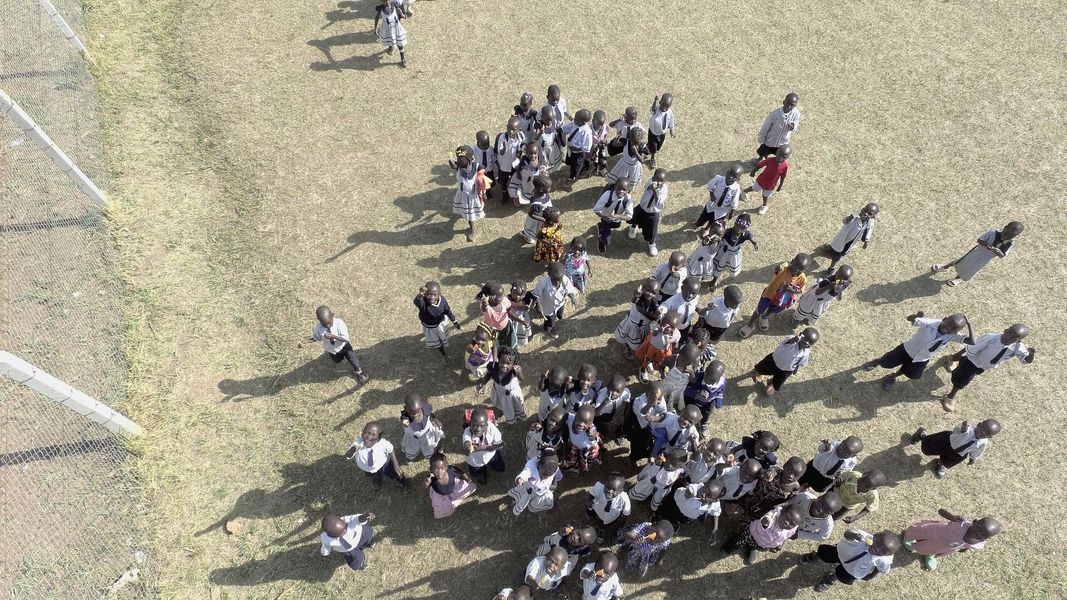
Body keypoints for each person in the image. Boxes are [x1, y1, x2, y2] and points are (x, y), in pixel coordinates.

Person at [862, 311, 975, 391]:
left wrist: (969, 325)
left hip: (922, 358)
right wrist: (915, 316)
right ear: (944, 319)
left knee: (909, 372)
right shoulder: (929, 323)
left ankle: (892, 377)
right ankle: (878, 361)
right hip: (907, 350)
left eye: (954, 329)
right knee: (887, 362)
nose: (949, 328)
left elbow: (971, 342)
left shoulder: (953, 335)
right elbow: (911, 319)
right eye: (949, 323)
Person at [944, 323, 1035, 410]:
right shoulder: (990, 338)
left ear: (1018, 341)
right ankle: (951, 396)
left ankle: (952, 358)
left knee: (967, 369)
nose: (1009, 338)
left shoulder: (1018, 347)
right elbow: (972, 348)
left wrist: (1031, 354)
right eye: (1008, 333)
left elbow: (1026, 360)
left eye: (1014, 338)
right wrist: (968, 354)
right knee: (962, 380)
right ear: (1005, 330)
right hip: (971, 361)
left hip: (983, 366)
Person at [797, 529, 899, 593]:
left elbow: (882, 569)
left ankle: (832, 578)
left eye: (883, 551)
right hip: (840, 552)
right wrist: (855, 536)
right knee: (825, 553)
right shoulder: (864, 537)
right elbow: (847, 533)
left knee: (843, 576)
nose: (877, 548)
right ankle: (815, 556)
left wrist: (871, 576)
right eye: (877, 542)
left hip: (853, 569)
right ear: (875, 536)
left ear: (888, 555)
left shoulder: (884, 560)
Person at [932, 221, 1024, 286]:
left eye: (1011, 236)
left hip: (984, 260)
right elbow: (979, 240)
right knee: (960, 261)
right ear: (1005, 227)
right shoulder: (992, 233)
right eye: (1006, 233)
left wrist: (998, 251)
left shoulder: (1010, 243)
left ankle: (958, 278)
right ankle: (945, 267)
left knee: (970, 270)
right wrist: (987, 245)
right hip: (976, 253)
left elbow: (1003, 255)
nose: (1006, 236)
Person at [904, 509, 1001, 571]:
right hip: (935, 533)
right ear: (974, 522)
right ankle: (909, 537)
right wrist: (953, 517)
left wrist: (963, 549)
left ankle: (929, 554)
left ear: (987, 538)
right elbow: (941, 511)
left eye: (984, 534)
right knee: (920, 532)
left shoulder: (978, 543)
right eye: (979, 528)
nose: (979, 533)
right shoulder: (962, 523)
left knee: (935, 549)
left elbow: (968, 546)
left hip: (945, 547)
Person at [738, 253, 809, 337]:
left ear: (805, 270)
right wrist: (779, 268)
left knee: (773, 309)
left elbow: (800, 290)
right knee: (759, 309)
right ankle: (750, 324)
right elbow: (777, 269)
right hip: (769, 294)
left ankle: (764, 317)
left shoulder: (803, 279)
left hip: (782, 300)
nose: (797, 269)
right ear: (792, 261)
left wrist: (791, 290)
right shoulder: (784, 268)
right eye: (796, 265)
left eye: (800, 269)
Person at [299, 305, 369, 383]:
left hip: (344, 347)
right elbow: (316, 338)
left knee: (354, 361)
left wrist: (334, 336)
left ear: (332, 315)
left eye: (329, 323)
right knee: (337, 360)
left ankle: (358, 371)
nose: (327, 326)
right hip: (331, 350)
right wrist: (307, 341)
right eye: (324, 324)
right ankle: (340, 358)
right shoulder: (318, 328)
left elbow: (345, 339)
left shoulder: (339, 323)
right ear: (319, 320)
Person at [910, 419, 1001, 478]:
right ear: (979, 424)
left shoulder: (983, 442)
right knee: (927, 449)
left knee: (948, 462)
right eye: (981, 429)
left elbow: (978, 451)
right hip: (947, 442)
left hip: (958, 454)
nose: (981, 433)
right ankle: (923, 435)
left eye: (986, 433)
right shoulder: (968, 429)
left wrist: (973, 459)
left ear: (989, 437)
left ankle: (939, 463)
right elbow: (956, 430)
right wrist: (963, 429)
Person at [723, 504, 802, 565]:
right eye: (787, 517)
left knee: (755, 545)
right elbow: (767, 517)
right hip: (752, 533)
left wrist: (780, 544)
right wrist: (765, 522)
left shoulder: (792, 529)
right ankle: (731, 545)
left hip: (763, 543)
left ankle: (751, 548)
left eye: (792, 523)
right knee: (741, 539)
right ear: (782, 510)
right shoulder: (772, 515)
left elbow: (787, 536)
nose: (787, 523)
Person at [751, 327, 819, 396]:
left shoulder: (805, 352)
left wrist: (795, 369)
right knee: (760, 369)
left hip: (785, 371)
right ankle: (757, 372)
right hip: (773, 361)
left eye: (810, 344)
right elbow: (789, 341)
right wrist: (795, 339)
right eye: (805, 340)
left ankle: (772, 382)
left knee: (769, 392)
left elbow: (800, 362)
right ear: (801, 335)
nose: (807, 344)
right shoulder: (792, 340)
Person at [738, 456, 806, 518]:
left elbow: (786, 502)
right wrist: (771, 472)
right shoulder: (775, 472)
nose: (790, 476)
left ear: (800, 477)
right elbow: (771, 469)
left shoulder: (795, 488)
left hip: (766, 508)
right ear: (784, 466)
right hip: (754, 496)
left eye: (796, 476)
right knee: (742, 506)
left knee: (752, 522)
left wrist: (771, 509)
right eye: (789, 470)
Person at [655, 480, 725, 539]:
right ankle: (659, 517)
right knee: (666, 511)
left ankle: (675, 523)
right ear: (704, 484)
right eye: (705, 488)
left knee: (681, 520)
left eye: (709, 495)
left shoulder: (714, 505)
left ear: (715, 500)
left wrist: (715, 528)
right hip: (675, 506)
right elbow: (678, 493)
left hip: (688, 516)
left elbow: (716, 512)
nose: (704, 493)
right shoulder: (692, 489)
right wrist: (686, 493)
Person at [345, 422, 407, 489]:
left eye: (373, 435)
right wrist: (352, 450)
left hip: (384, 464)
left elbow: (390, 449)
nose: (369, 436)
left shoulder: (382, 443)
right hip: (366, 468)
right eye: (366, 432)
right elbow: (348, 455)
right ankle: (375, 481)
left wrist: (396, 465)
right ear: (362, 432)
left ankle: (401, 482)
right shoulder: (358, 443)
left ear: (379, 438)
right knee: (371, 475)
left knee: (393, 473)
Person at [707, 214, 758, 290]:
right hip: (723, 253)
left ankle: (729, 274)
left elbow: (752, 240)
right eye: (737, 226)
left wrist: (755, 244)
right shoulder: (727, 232)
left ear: (746, 228)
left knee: (731, 267)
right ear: (734, 223)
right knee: (719, 267)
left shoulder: (746, 234)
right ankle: (714, 281)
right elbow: (718, 238)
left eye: (743, 228)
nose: (739, 229)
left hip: (734, 255)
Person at [477, 346, 526, 424]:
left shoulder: (513, 371)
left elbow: (521, 379)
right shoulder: (494, 367)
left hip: (511, 395)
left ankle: (516, 416)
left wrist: (519, 372)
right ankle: (502, 409)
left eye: (508, 363)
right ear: (498, 360)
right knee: (500, 403)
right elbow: (489, 374)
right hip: (499, 392)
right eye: (502, 362)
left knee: (513, 406)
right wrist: (483, 383)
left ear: (513, 364)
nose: (504, 365)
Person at [614, 278, 662, 359]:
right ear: (643, 289)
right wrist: (636, 294)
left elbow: (655, 318)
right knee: (627, 337)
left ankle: (635, 349)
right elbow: (634, 301)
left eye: (653, 293)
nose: (650, 294)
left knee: (639, 340)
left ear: (657, 294)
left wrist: (658, 312)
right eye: (648, 290)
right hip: (632, 324)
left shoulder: (655, 303)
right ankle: (628, 348)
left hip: (643, 327)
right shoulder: (639, 297)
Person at [824, 203, 879, 271]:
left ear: (873, 217)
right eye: (865, 210)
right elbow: (845, 221)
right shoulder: (855, 216)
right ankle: (831, 268)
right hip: (843, 237)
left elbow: (869, 230)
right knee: (836, 253)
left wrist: (866, 241)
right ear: (862, 209)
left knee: (841, 252)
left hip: (851, 241)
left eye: (870, 214)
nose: (866, 214)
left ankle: (830, 252)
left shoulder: (871, 221)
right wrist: (851, 217)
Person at [509, 449, 564, 516]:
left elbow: (554, 484)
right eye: (544, 474)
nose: (545, 477)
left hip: (543, 493)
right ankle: (517, 502)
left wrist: (547, 486)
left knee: (542, 502)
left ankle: (548, 506)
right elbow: (526, 472)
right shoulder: (532, 467)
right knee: (523, 499)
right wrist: (520, 479)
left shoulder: (553, 467)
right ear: (539, 464)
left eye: (549, 475)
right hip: (531, 488)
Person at [413, 281, 461, 359]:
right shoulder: (423, 303)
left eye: (435, 295)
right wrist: (420, 295)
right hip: (430, 327)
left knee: (443, 337)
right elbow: (416, 302)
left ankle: (442, 342)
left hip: (441, 324)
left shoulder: (443, 300)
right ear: (425, 294)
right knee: (437, 343)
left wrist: (454, 321)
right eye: (429, 294)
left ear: (439, 294)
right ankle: (443, 354)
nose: (432, 297)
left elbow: (448, 311)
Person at [798, 436, 864, 492]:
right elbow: (824, 449)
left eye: (846, 453)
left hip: (827, 478)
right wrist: (826, 445)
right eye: (842, 447)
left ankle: (806, 486)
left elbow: (845, 471)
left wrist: (839, 475)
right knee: (803, 477)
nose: (841, 451)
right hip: (814, 467)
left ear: (853, 455)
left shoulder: (851, 462)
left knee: (818, 487)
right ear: (842, 441)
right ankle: (796, 487)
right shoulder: (833, 446)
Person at [627, 168, 669, 256]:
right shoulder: (651, 180)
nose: (658, 183)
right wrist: (651, 186)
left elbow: (659, 201)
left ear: (665, 181)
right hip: (642, 208)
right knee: (633, 217)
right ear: (653, 178)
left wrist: (655, 191)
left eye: (661, 181)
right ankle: (633, 227)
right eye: (656, 180)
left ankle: (652, 244)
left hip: (652, 213)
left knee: (652, 230)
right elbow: (646, 187)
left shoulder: (664, 189)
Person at [533, 262, 579, 338]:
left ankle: (558, 317)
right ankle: (549, 329)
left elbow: (569, 290)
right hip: (548, 307)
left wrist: (573, 299)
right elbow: (536, 295)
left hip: (560, 304)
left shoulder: (565, 279)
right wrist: (538, 305)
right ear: (549, 275)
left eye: (559, 281)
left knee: (560, 315)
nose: (558, 283)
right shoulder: (543, 283)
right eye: (555, 281)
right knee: (550, 320)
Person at [634, 312, 683, 383]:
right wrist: (659, 330)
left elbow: (676, 342)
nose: (668, 328)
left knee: (659, 361)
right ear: (662, 322)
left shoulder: (677, 334)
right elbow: (654, 333)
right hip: (652, 347)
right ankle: (643, 369)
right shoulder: (657, 328)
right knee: (647, 358)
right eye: (666, 324)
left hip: (664, 351)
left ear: (675, 328)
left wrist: (675, 350)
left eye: (672, 327)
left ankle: (653, 366)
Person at [449, 145, 485, 241]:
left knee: (470, 214)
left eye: (461, 159)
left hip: (473, 197)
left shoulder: (478, 167)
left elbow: (483, 181)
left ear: (469, 158)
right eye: (457, 158)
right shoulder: (459, 167)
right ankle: (471, 226)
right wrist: (454, 166)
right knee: (468, 213)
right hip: (463, 195)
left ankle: (472, 229)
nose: (458, 161)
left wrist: (484, 192)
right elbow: (456, 166)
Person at [425, 453, 476, 519]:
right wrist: (426, 483)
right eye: (436, 469)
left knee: (463, 490)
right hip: (440, 495)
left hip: (454, 487)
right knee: (442, 508)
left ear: (446, 467)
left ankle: (454, 498)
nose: (439, 472)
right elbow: (425, 485)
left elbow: (460, 473)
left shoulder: (451, 470)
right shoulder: (431, 478)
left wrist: (468, 479)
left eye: (442, 468)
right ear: (431, 469)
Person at [462, 407, 505, 484]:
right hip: (475, 461)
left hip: (490, 456)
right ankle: (481, 474)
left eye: (482, 426)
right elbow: (467, 442)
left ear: (487, 424)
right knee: (476, 472)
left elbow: (500, 445)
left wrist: (484, 448)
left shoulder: (492, 429)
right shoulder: (467, 432)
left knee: (501, 468)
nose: (478, 429)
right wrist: (468, 448)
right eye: (475, 425)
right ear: (470, 423)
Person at [744, 145, 791, 215]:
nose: (780, 158)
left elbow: (783, 176)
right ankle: (744, 191)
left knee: (765, 196)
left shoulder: (785, 166)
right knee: (754, 188)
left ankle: (764, 206)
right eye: (779, 155)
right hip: (761, 180)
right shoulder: (770, 160)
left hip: (770, 185)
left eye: (783, 157)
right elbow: (760, 165)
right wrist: (753, 172)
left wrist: (780, 186)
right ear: (776, 152)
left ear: (787, 157)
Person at [593, 178, 635, 253]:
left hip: (617, 219)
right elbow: (596, 209)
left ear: (628, 190)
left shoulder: (628, 199)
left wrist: (618, 216)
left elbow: (629, 217)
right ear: (615, 187)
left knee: (616, 226)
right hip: (605, 218)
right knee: (607, 240)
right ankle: (602, 240)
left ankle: (600, 226)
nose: (621, 191)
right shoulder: (607, 195)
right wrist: (604, 217)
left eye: (624, 190)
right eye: (619, 188)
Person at [587, 473, 632, 543]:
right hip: (597, 509)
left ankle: (601, 532)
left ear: (620, 490)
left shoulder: (624, 499)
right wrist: (589, 501)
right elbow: (592, 494)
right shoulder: (599, 488)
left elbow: (626, 513)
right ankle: (590, 517)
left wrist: (621, 523)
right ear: (604, 484)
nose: (610, 491)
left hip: (610, 517)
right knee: (592, 513)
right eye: (607, 487)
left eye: (614, 490)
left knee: (604, 525)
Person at [399, 393, 444, 462]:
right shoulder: (405, 417)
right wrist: (404, 423)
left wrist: (435, 420)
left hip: (427, 434)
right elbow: (404, 422)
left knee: (428, 447)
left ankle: (430, 453)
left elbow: (430, 414)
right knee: (412, 448)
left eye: (418, 412)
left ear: (421, 406)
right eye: (412, 413)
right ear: (406, 409)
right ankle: (410, 456)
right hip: (413, 437)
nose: (415, 415)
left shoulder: (425, 408)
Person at [683, 360, 726, 429]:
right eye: (706, 377)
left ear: (719, 379)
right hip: (694, 399)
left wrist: (719, 400)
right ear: (705, 371)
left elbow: (720, 392)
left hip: (708, 402)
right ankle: (686, 417)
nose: (706, 380)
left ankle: (704, 422)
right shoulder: (699, 376)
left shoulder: (721, 383)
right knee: (688, 406)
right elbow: (688, 389)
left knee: (707, 412)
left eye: (710, 381)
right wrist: (697, 393)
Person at [756, 92, 800, 159]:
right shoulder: (775, 114)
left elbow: (796, 124)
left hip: (783, 142)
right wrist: (761, 139)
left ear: (795, 105)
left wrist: (793, 126)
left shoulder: (796, 114)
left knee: (778, 155)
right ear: (783, 102)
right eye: (787, 103)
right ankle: (760, 159)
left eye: (792, 105)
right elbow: (765, 126)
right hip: (770, 140)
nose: (789, 107)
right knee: (763, 152)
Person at [563, 405, 603, 472]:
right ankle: (574, 468)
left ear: (591, 423)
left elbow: (594, 441)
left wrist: (593, 437)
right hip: (574, 446)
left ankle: (588, 465)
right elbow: (563, 415)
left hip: (587, 449)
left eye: (586, 422)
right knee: (572, 458)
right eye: (579, 419)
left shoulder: (591, 432)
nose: (581, 424)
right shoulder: (570, 418)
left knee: (586, 459)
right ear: (575, 415)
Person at [495, 117, 526, 203]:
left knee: (515, 177)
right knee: (503, 181)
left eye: (513, 130)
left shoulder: (521, 135)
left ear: (519, 130)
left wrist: (521, 149)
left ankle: (514, 191)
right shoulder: (503, 138)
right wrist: (504, 147)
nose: (510, 131)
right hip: (504, 165)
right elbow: (500, 152)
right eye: (508, 128)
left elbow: (524, 142)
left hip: (514, 164)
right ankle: (504, 193)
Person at [519, 175, 554, 245]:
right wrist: (543, 219)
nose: (550, 189)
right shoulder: (536, 203)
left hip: (544, 216)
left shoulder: (544, 193)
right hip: (537, 221)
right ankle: (526, 235)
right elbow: (530, 214)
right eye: (549, 187)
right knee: (532, 230)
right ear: (541, 189)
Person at [563, 109, 594, 186]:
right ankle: (571, 168)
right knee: (569, 161)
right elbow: (566, 128)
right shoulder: (574, 123)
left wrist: (576, 149)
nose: (574, 119)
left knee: (575, 167)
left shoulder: (587, 132)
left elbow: (586, 148)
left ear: (584, 122)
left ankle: (572, 178)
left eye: (576, 119)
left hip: (578, 154)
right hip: (571, 150)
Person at [372, 0, 407, 67]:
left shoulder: (393, 4)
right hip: (387, 28)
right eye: (385, 1)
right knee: (390, 38)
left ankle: (403, 58)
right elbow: (377, 17)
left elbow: (398, 9)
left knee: (400, 43)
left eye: (388, 0)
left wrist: (402, 14)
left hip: (396, 26)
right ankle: (390, 48)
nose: (387, 2)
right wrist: (375, 28)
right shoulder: (381, 8)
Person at [646, 93, 676, 167]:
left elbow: (671, 120)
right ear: (660, 102)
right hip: (653, 133)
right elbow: (652, 110)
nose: (665, 109)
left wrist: (671, 129)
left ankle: (651, 147)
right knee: (653, 148)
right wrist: (655, 101)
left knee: (658, 146)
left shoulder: (669, 112)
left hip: (662, 133)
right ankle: (652, 158)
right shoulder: (656, 109)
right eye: (663, 106)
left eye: (667, 107)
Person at [535, 106, 565, 174]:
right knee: (545, 160)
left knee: (552, 157)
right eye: (547, 120)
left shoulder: (554, 122)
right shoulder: (539, 125)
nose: (549, 122)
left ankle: (552, 166)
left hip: (552, 145)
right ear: (542, 117)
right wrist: (540, 133)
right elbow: (535, 138)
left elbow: (555, 132)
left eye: (551, 120)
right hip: (543, 147)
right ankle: (545, 171)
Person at [472, 131, 498, 196]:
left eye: (488, 143)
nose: (486, 146)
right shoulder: (474, 150)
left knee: (490, 182)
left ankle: (488, 191)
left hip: (489, 170)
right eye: (484, 145)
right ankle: (485, 193)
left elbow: (493, 156)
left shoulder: (490, 148)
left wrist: (495, 161)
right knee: (482, 183)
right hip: (480, 172)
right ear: (478, 142)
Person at [589, 110, 611, 176]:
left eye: (602, 124)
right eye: (598, 124)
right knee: (592, 159)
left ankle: (602, 169)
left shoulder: (605, 127)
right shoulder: (589, 129)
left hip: (601, 147)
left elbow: (605, 135)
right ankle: (592, 169)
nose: (600, 126)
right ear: (593, 121)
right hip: (592, 148)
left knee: (602, 158)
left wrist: (604, 140)